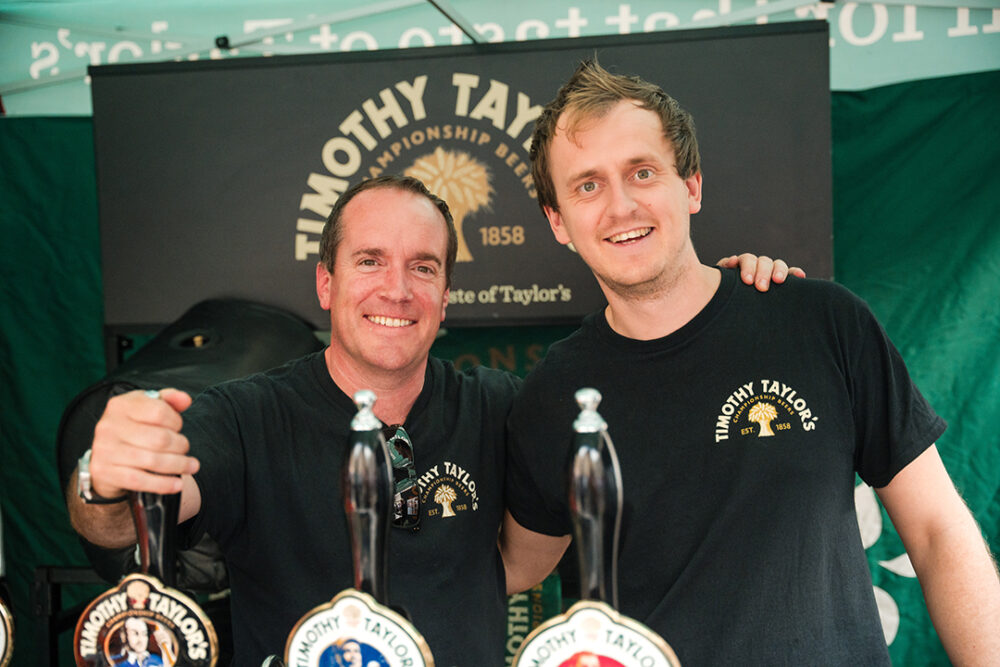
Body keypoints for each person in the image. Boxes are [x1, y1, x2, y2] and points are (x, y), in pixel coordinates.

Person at [66, 174, 791, 664]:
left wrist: (707, 298)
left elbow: (646, 420)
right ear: (326, 282)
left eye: (423, 267)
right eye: (370, 261)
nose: (397, 288)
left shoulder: (501, 406)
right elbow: (119, 521)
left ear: (446, 297)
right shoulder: (246, 416)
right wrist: (108, 474)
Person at [501, 60, 1000, 664]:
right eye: (587, 186)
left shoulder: (820, 322)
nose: (620, 205)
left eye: (642, 172)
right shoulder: (554, 393)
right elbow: (515, 567)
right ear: (558, 221)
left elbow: (938, 533)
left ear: (691, 186)